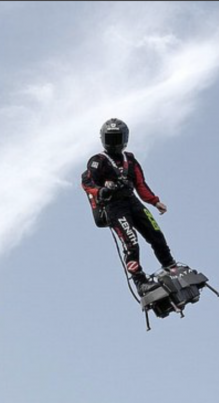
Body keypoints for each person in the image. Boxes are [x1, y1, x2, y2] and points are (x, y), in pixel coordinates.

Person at [81, 118, 179, 296]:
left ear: (125, 138)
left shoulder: (130, 159)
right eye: (110, 139)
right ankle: (140, 282)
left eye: (117, 138)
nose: (114, 143)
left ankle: (171, 267)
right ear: (103, 139)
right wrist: (101, 191)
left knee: (156, 234)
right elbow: (87, 182)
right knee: (131, 242)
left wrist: (154, 201)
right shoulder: (98, 160)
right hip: (114, 207)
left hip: (133, 201)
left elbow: (140, 183)